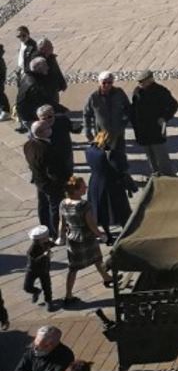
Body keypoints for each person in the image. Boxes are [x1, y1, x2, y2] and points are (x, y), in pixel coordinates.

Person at [60, 176, 117, 304]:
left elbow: (62, 222)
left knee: (73, 268)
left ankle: (69, 295)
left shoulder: (63, 203)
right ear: (76, 191)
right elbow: (91, 224)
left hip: (72, 239)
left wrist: (61, 236)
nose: (86, 188)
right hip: (86, 237)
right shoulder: (84, 205)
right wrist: (102, 235)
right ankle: (106, 278)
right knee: (97, 258)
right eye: (83, 187)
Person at [125, 71, 175, 178]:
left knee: (161, 157)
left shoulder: (160, 91)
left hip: (156, 130)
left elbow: (173, 105)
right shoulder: (137, 91)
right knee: (150, 156)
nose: (140, 83)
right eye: (139, 82)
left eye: (142, 81)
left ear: (150, 80)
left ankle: (168, 178)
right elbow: (134, 108)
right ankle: (156, 176)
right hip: (143, 130)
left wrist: (164, 118)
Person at [84, 131, 133, 240]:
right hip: (112, 184)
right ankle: (127, 229)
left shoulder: (89, 150)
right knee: (121, 209)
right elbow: (121, 168)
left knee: (101, 209)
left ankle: (106, 232)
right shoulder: (112, 154)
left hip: (95, 182)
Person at [22, 118, 64, 240]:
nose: (50, 129)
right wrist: (61, 182)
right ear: (41, 132)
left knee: (43, 205)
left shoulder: (28, 145)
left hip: (39, 181)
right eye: (47, 128)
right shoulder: (47, 149)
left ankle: (45, 226)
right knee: (55, 207)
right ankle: (55, 231)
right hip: (50, 185)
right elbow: (52, 171)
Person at [23, 226, 53, 308]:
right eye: (46, 236)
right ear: (40, 239)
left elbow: (55, 243)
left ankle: (48, 301)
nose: (48, 237)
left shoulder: (47, 243)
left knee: (47, 286)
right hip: (32, 270)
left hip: (44, 268)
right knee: (27, 287)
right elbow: (34, 261)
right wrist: (44, 255)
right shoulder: (32, 249)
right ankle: (36, 291)